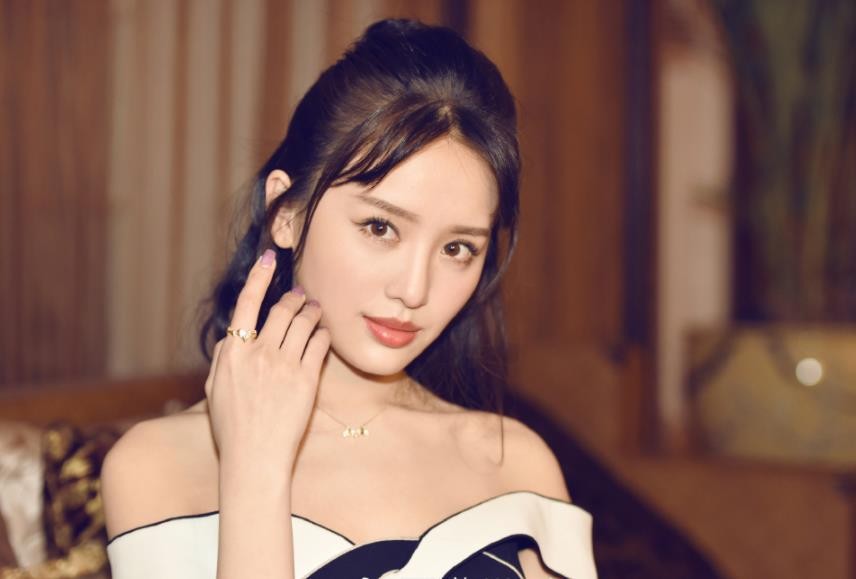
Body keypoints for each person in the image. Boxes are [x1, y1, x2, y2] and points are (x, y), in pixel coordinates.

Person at [100, 18, 597, 579]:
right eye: (380, 228)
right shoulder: (156, 467)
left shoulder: (513, 461)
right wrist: (254, 467)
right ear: (286, 213)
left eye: (457, 248)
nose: (414, 290)